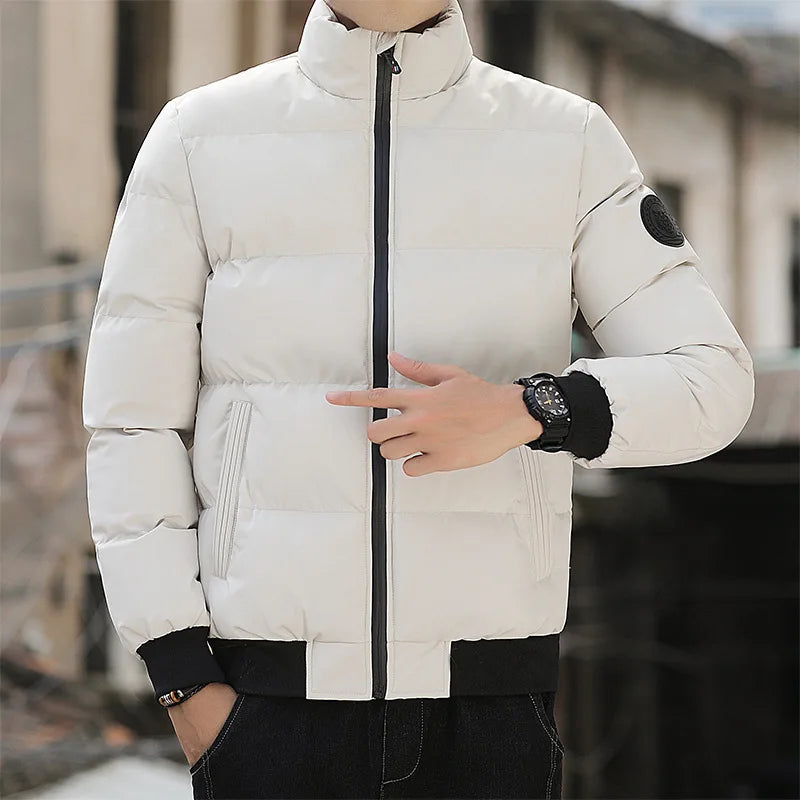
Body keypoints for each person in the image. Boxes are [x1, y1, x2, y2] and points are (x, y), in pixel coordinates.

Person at [81, 0, 755, 797]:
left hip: (488, 710)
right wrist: (182, 678)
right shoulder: (198, 139)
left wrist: (531, 410)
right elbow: (132, 424)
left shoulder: (566, 140)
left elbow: (711, 381)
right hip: (264, 705)